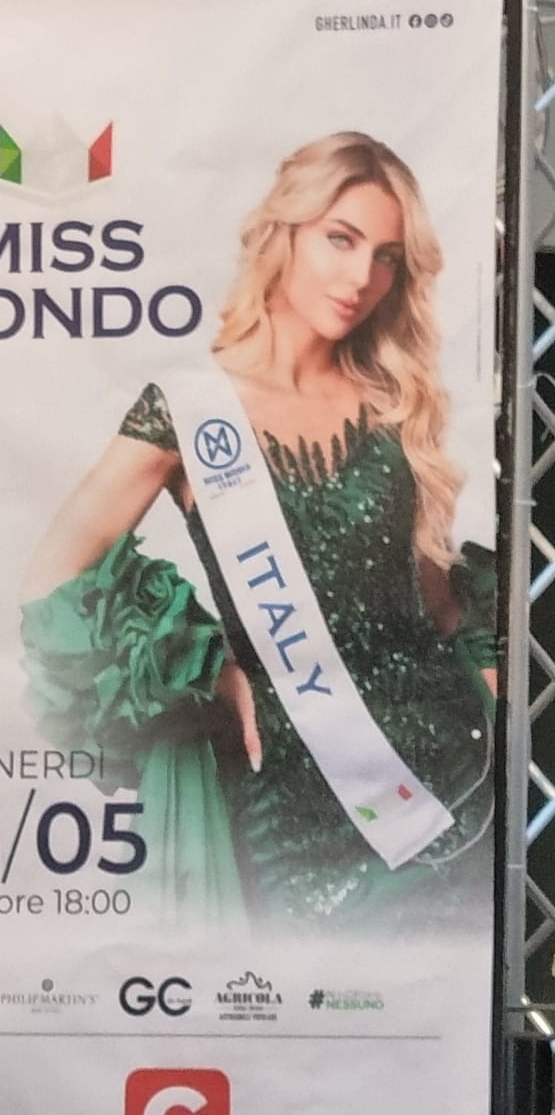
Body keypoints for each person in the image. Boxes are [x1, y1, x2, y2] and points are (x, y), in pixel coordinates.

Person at [18, 131, 494, 933]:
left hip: (451, 785)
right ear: (286, 232)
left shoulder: (394, 407)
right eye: (341, 239)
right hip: (298, 816)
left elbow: (434, 603)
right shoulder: (188, 410)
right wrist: (206, 669)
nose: (362, 278)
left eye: (385, 257)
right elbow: (50, 582)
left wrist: (495, 692)